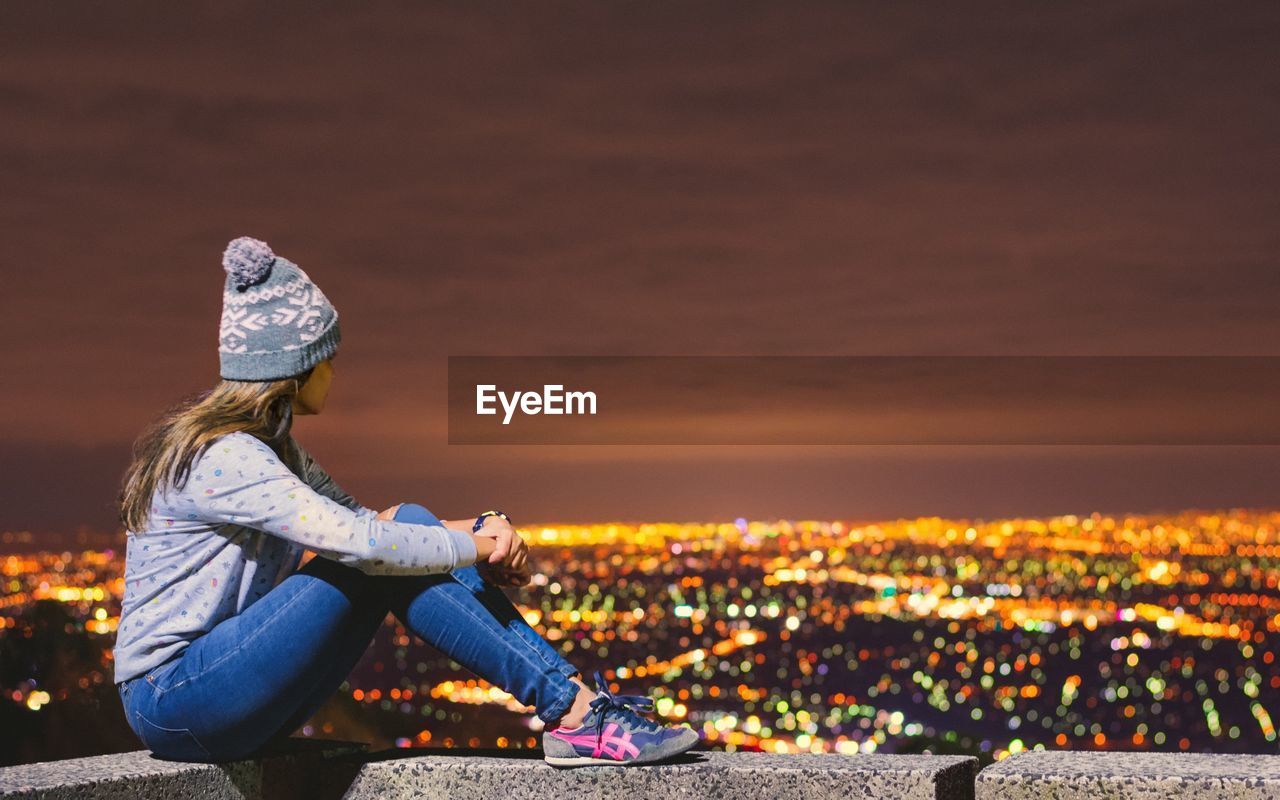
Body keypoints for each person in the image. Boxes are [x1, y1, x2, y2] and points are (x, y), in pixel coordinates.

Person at [113, 236, 699, 767]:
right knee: (383, 554)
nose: (335, 373)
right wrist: (474, 547)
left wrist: (488, 526)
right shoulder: (229, 455)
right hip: (174, 700)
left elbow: (367, 522)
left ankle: (572, 707)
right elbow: (365, 543)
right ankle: (574, 713)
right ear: (296, 369)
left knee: (406, 528)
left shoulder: (273, 452)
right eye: (329, 358)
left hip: (218, 697)